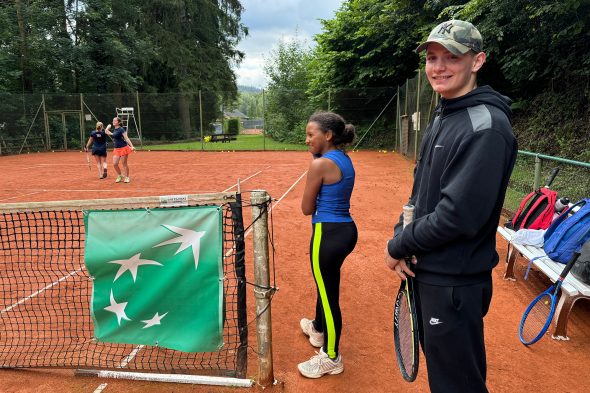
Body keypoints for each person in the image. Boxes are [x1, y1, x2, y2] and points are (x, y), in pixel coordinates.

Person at [384, 20, 517, 393]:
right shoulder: (446, 114)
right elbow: (419, 193)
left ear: (477, 61)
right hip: (430, 271)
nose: (438, 67)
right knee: (445, 377)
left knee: (457, 385)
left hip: (454, 282)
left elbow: (458, 216)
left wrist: (397, 246)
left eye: (451, 57)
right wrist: (402, 234)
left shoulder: (486, 127)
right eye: (432, 58)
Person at [297, 111, 358, 379]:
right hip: (345, 231)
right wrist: (316, 156)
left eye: (311, 135)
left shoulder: (319, 165)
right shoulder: (343, 158)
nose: (307, 139)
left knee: (328, 293)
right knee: (326, 284)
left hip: (327, 233)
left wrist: (314, 164)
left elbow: (306, 207)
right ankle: (318, 328)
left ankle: (331, 356)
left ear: (328, 135)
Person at [105, 117, 135, 183]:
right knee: (115, 164)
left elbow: (126, 138)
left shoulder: (121, 129)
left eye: (115, 121)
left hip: (123, 148)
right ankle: (120, 175)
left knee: (124, 163)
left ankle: (127, 177)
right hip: (116, 149)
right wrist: (108, 127)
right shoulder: (114, 130)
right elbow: (106, 131)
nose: (113, 121)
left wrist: (132, 146)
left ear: (118, 122)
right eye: (113, 120)